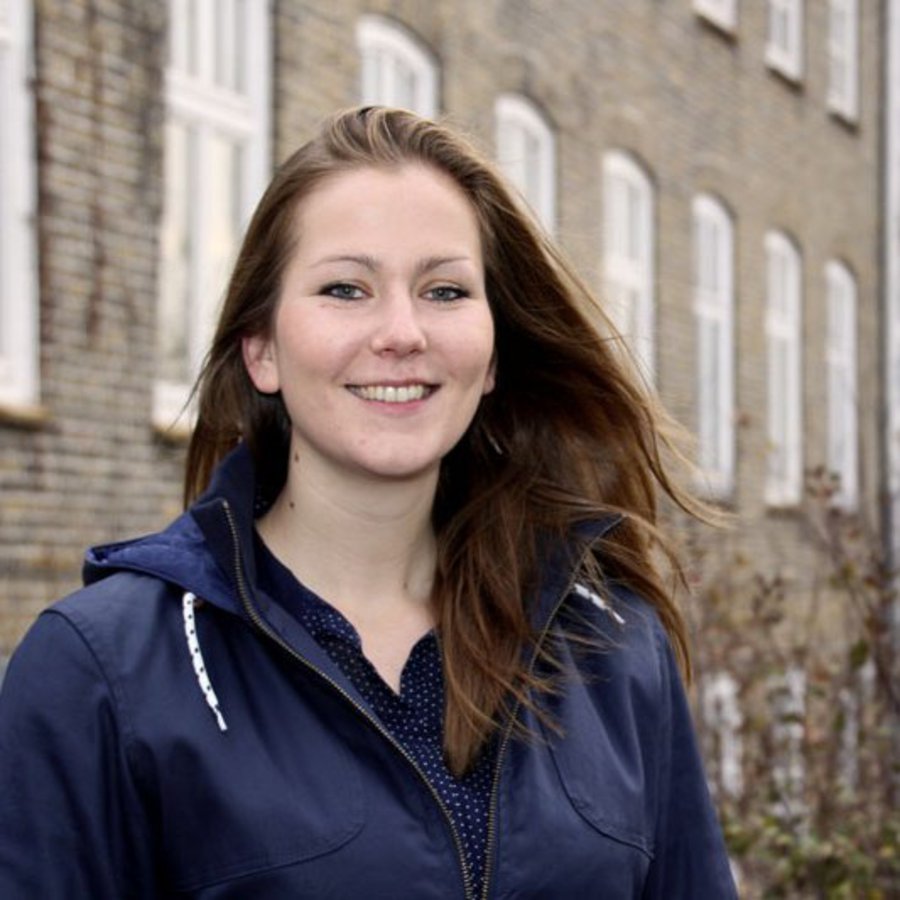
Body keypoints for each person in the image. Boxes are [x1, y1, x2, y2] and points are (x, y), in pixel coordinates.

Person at [0, 106, 738, 898]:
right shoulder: (102, 670)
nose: (401, 331)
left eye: (445, 290)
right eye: (345, 289)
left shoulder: (612, 648)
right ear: (263, 350)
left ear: (492, 356)